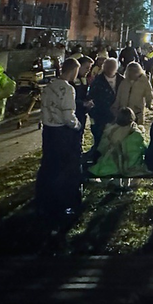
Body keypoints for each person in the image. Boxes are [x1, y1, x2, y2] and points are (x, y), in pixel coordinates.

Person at [36, 58, 83, 217]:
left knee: (49, 165)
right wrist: (77, 126)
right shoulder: (67, 89)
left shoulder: (49, 86)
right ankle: (63, 202)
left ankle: (44, 199)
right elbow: (68, 114)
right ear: (73, 70)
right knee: (64, 168)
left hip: (48, 130)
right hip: (62, 132)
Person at [89, 107, 148, 190]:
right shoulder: (137, 133)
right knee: (130, 159)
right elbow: (144, 148)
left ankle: (115, 184)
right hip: (132, 165)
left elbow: (102, 148)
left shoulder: (110, 131)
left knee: (111, 162)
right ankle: (128, 185)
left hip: (113, 164)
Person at [87, 58, 123, 158]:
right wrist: (93, 113)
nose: (110, 69)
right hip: (101, 114)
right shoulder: (98, 81)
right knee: (101, 138)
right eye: (108, 67)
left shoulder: (121, 80)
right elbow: (92, 97)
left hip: (117, 114)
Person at [74, 56, 95, 143]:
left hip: (82, 112)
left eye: (90, 68)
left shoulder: (84, 79)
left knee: (80, 135)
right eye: (86, 67)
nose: (88, 70)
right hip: (74, 112)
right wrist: (82, 103)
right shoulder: (72, 80)